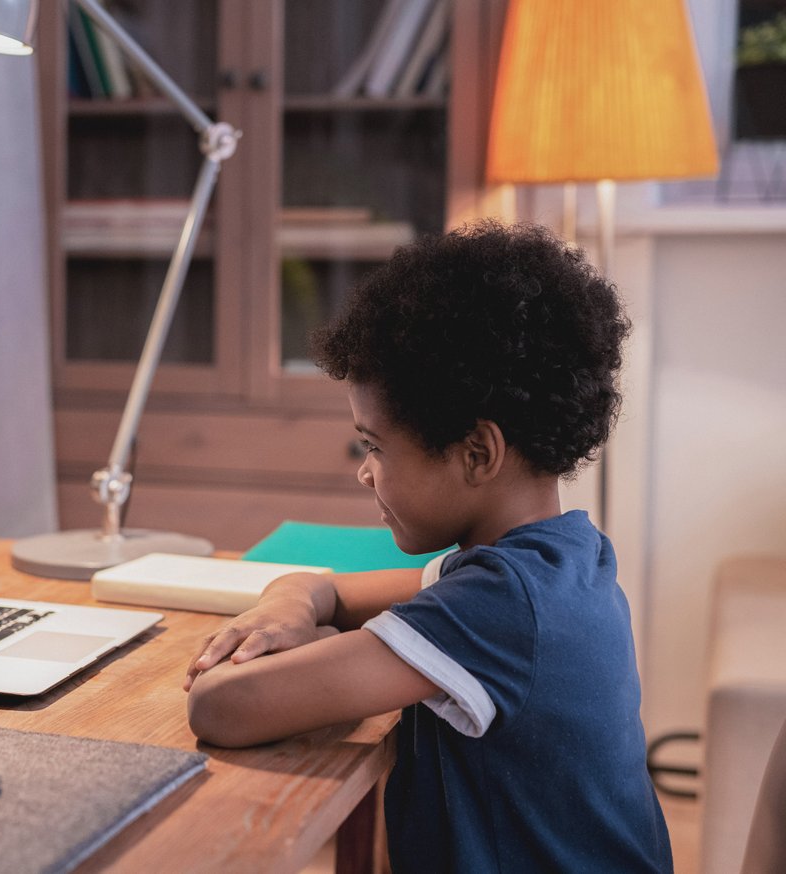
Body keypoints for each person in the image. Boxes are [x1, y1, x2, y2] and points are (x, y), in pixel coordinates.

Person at [183, 221, 671, 871]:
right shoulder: (559, 561)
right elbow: (322, 586)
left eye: (375, 446)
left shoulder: (500, 607)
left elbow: (222, 706)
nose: (364, 471)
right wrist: (288, 611)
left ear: (477, 453)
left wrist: (309, 641)